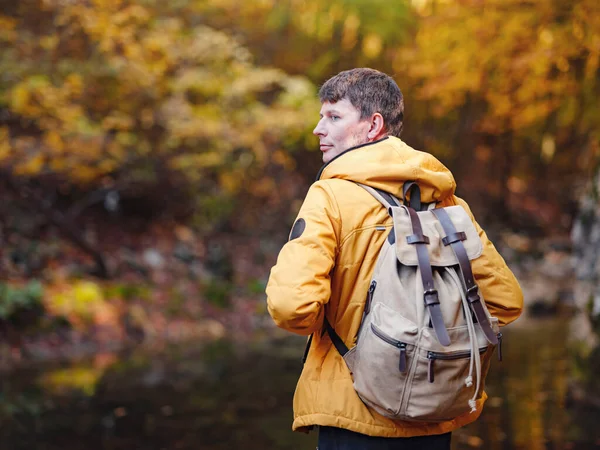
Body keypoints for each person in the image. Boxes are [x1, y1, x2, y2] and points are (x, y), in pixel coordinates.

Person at [265, 68, 523, 449]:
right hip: (436, 414)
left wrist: (353, 327)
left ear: (373, 126)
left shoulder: (330, 198)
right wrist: (433, 343)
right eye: (322, 116)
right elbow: (507, 301)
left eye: (334, 117)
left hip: (352, 414)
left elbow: (291, 307)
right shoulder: (446, 203)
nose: (318, 129)